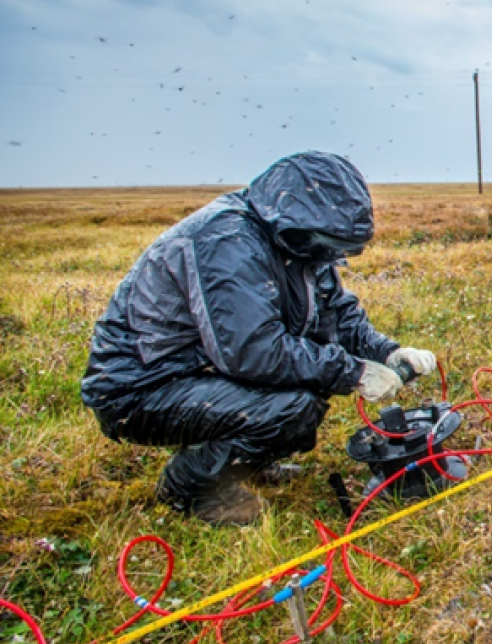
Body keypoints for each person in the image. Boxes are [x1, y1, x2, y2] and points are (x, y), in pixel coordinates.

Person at [81, 151, 438, 526]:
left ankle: (237, 463)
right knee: (292, 407)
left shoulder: (296, 245)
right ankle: (191, 487)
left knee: (304, 386)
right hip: (139, 388)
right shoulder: (226, 243)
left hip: (202, 371)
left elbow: (337, 313)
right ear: (295, 222)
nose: (328, 255)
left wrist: (388, 351)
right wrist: (353, 372)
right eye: (324, 243)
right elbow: (254, 352)